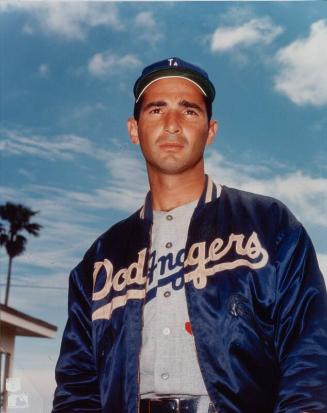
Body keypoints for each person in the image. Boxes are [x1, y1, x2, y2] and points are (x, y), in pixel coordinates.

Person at [52, 57, 327, 413]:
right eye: (156, 110)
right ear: (134, 129)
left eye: (189, 111)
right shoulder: (101, 258)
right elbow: (77, 384)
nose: (171, 125)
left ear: (210, 131)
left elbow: (309, 353)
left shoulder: (270, 225)